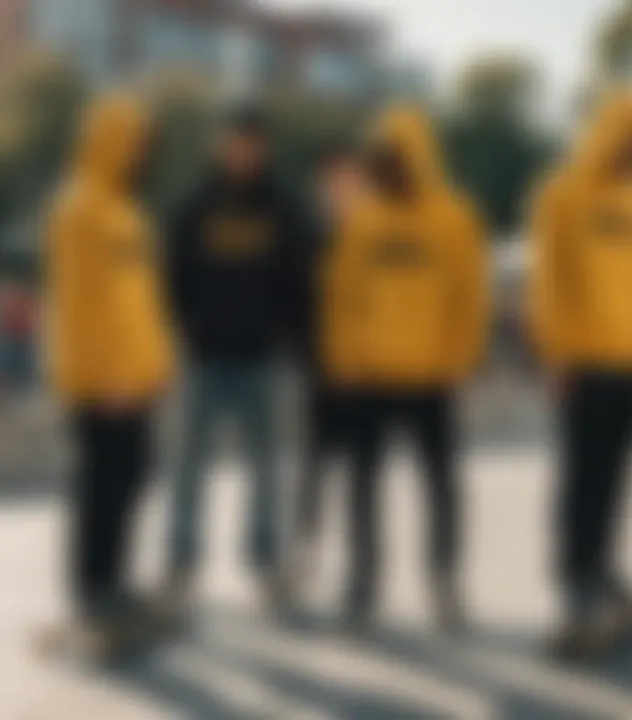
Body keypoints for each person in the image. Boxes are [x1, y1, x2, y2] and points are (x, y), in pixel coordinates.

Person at [322, 107, 489, 631]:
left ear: (418, 159)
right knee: (362, 485)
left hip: (432, 377)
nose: (387, 172)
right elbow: (342, 296)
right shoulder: (363, 219)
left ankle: (444, 582)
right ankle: (362, 582)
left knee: (441, 486)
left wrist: (460, 360)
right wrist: (343, 359)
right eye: (381, 164)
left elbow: (471, 297)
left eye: (396, 162)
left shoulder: (455, 217)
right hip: (370, 376)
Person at [529, 89, 632, 661]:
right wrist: (557, 353)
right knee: (581, 477)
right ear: (615, 135)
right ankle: (575, 583)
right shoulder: (562, 193)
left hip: (631, 362)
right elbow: (548, 279)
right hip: (584, 361)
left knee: (616, 476)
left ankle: (603, 571)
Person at [45, 92, 174, 661]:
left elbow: (140, 302)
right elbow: (78, 307)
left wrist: (154, 365)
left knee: (132, 479)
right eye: (137, 144)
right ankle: (92, 592)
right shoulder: (79, 210)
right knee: (101, 487)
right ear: (113, 145)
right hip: (103, 384)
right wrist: (105, 379)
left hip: (136, 380)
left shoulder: (128, 213)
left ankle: (116, 584)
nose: (144, 155)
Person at [165, 106, 307, 618]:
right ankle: (181, 564)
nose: (243, 151)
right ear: (220, 144)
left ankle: (266, 563)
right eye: (235, 141)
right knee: (187, 469)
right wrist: (185, 331)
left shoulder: (284, 209)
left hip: (264, 361)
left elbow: (300, 279)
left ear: (264, 148)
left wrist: (289, 337)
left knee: (268, 471)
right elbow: (172, 274)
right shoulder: (195, 207)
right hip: (204, 359)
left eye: (252, 142)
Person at [291, 142, 368, 590]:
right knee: (314, 465)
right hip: (321, 370)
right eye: (332, 179)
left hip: (366, 373)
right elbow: (300, 302)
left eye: (348, 177)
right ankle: (305, 551)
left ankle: (361, 567)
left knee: (362, 472)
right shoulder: (309, 236)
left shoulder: (375, 232)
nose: (340, 187)